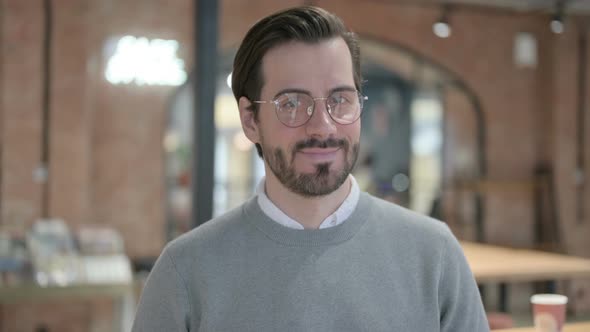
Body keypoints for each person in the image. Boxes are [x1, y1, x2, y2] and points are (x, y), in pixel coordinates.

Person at [132, 6, 489, 332]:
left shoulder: (434, 254)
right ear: (250, 120)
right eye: (291, 103)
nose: (323, 127)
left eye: (340, 100)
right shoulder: (185, 272)